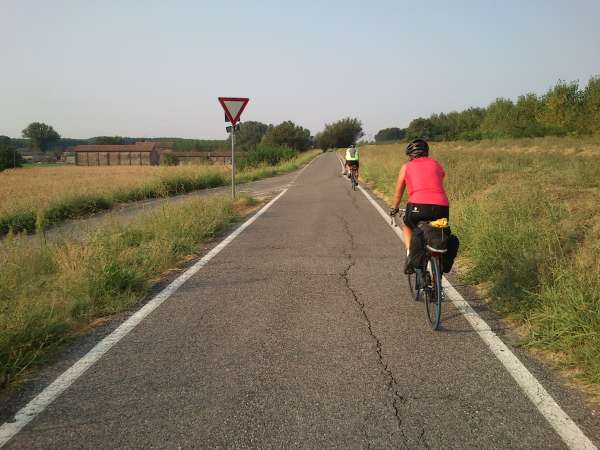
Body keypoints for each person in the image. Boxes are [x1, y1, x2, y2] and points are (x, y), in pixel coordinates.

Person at [388, 139, 449, 273]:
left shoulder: (406, 167)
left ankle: (411, 254)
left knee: (408, 226)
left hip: (417, 205)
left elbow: (398, 193)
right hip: (442, 207)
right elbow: (440, 177)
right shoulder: (436, 164)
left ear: (410, 155)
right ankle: (437, 273)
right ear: (427, 153)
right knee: (439, 228)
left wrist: (394, 208)